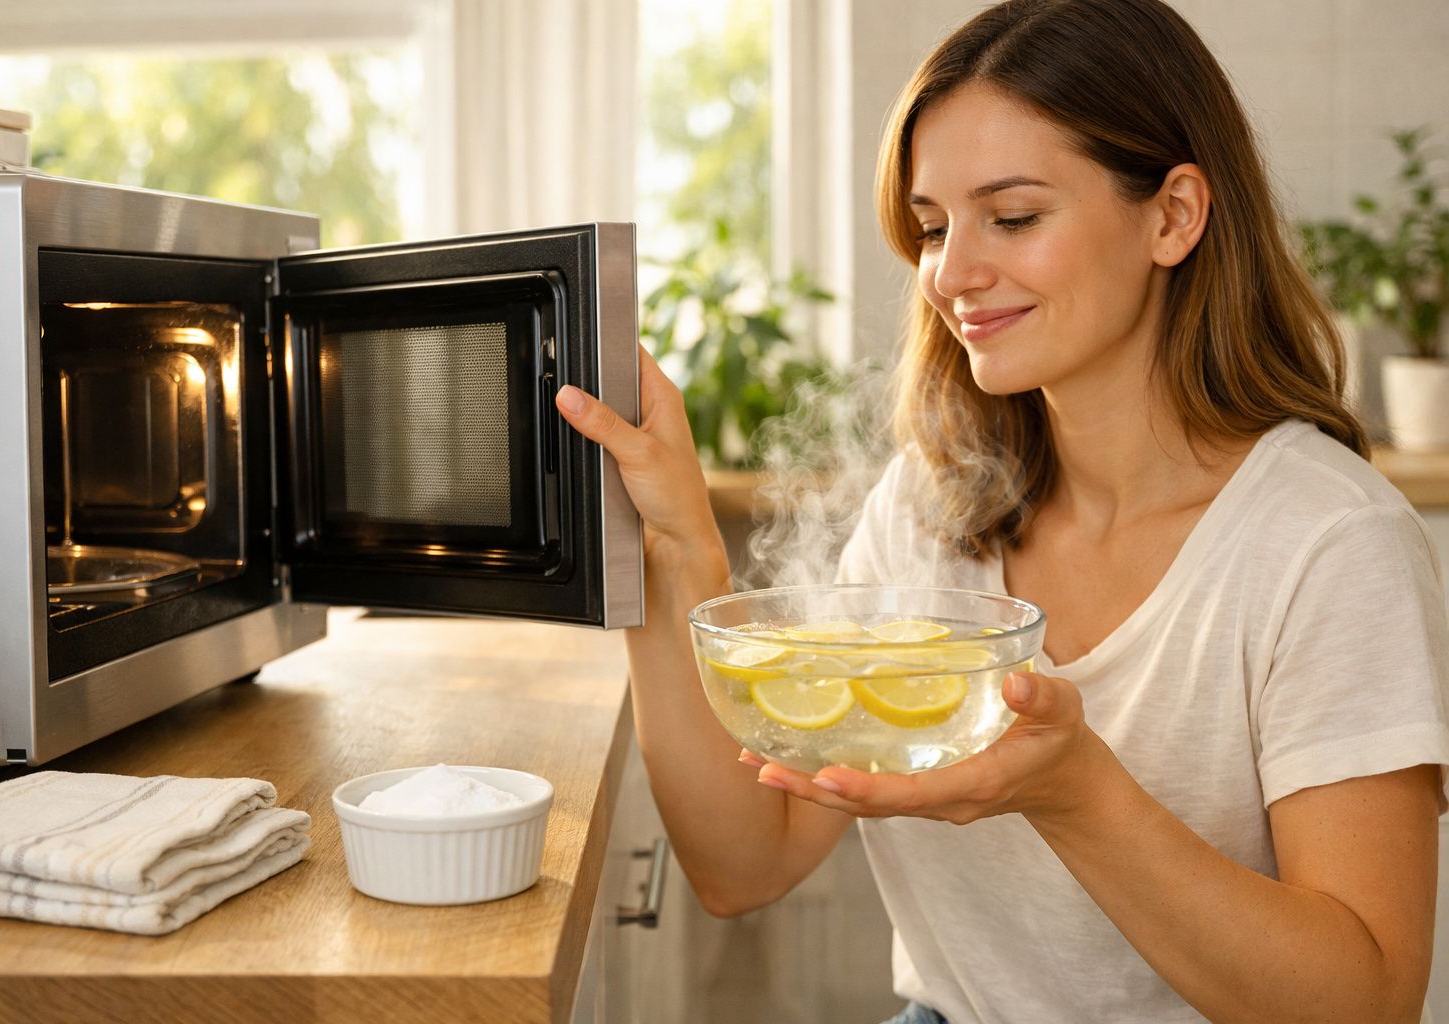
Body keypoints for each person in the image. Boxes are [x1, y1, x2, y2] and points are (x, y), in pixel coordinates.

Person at [555, 0, 1449, 1020]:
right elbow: (743, 864)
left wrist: (1078, 793)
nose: (951, 273)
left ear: (1174, 215)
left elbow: (1366, 1000)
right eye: (933, 227)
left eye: (1013, 218)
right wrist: (674, 547)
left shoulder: (1328, 542)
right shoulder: (932, 506)